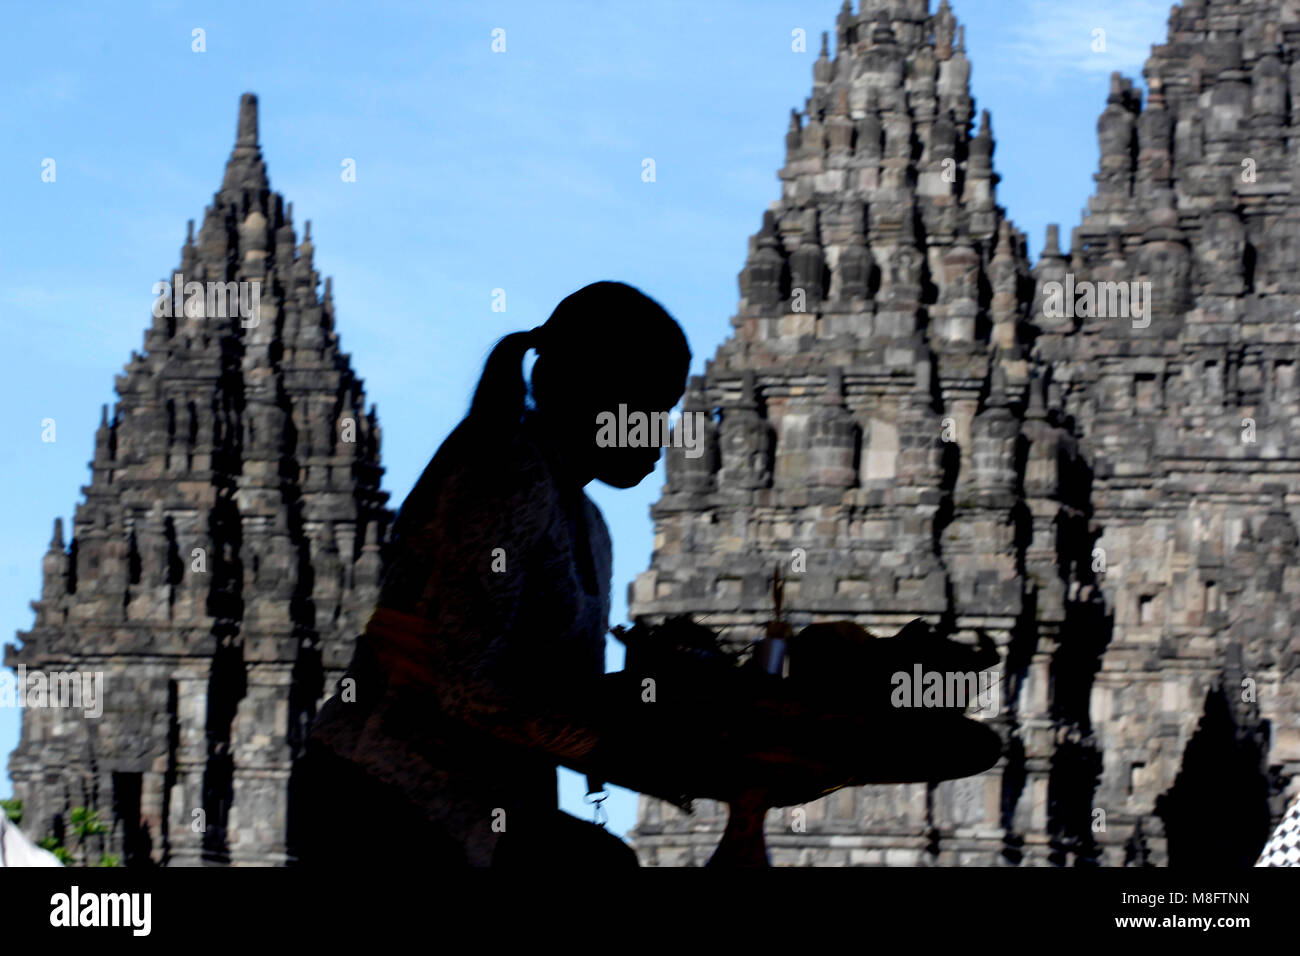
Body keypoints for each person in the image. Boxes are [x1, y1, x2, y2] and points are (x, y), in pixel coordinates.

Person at [295, 281, 690, 867]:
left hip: (488, 798)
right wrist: (609, 747)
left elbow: (567, 699)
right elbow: (465, 684)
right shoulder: (508, 475)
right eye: (652, 410)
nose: (663, 434)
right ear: (597, 396)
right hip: (381, 789)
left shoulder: (592, 527)